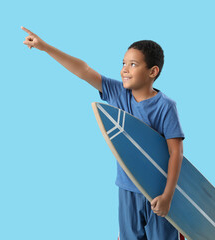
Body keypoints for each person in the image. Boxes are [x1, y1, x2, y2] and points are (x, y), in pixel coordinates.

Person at [21, 26, 185, 240]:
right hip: (127, 189)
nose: (124, 69)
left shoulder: (165, 107)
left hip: (158, 191)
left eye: (133, 64)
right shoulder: (118, 93)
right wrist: (45, 48)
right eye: (123, 63)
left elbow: (176, 153)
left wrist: (168, 197)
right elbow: (84, 70)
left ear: (153, 72)